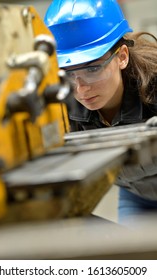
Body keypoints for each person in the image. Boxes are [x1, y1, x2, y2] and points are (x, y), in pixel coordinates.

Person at [44, 0, 157, 227]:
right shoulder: (59, 105)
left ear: (122, 56)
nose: (81, 88)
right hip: (138, 197)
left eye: (92, 69)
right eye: (67, 73)